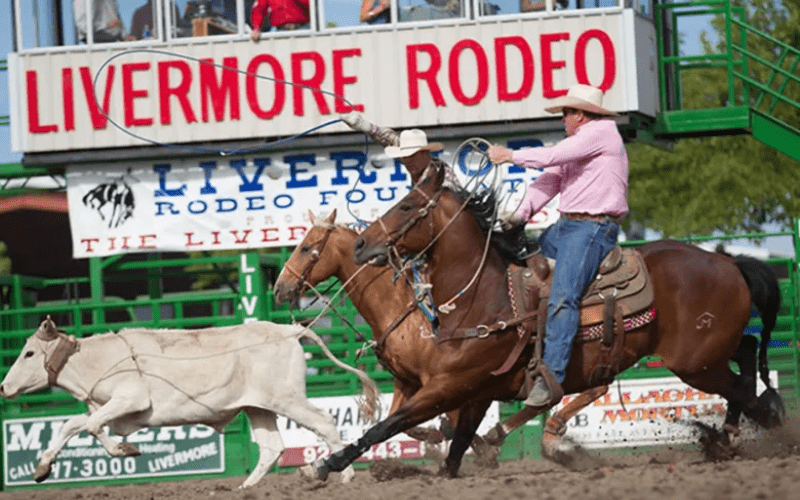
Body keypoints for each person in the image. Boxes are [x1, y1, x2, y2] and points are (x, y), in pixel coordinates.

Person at [487, 84, 628, 409]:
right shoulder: (579, 145)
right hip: (568, 227)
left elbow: (550, 158)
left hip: (592, 228)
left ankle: (551, 377)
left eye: (566, 113)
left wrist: (510, 156)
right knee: (517, 262)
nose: (563, 119)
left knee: (564, 296)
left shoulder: (602, 132)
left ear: (580, 114)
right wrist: (518, 217)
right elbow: (549, 181)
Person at [339, 113, 444, 185]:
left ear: (424, 154)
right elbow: (390, 139)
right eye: (404, 156)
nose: (407, 161)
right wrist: (364, 125)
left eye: (411, 156)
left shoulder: (440, 175)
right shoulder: (421, 167)